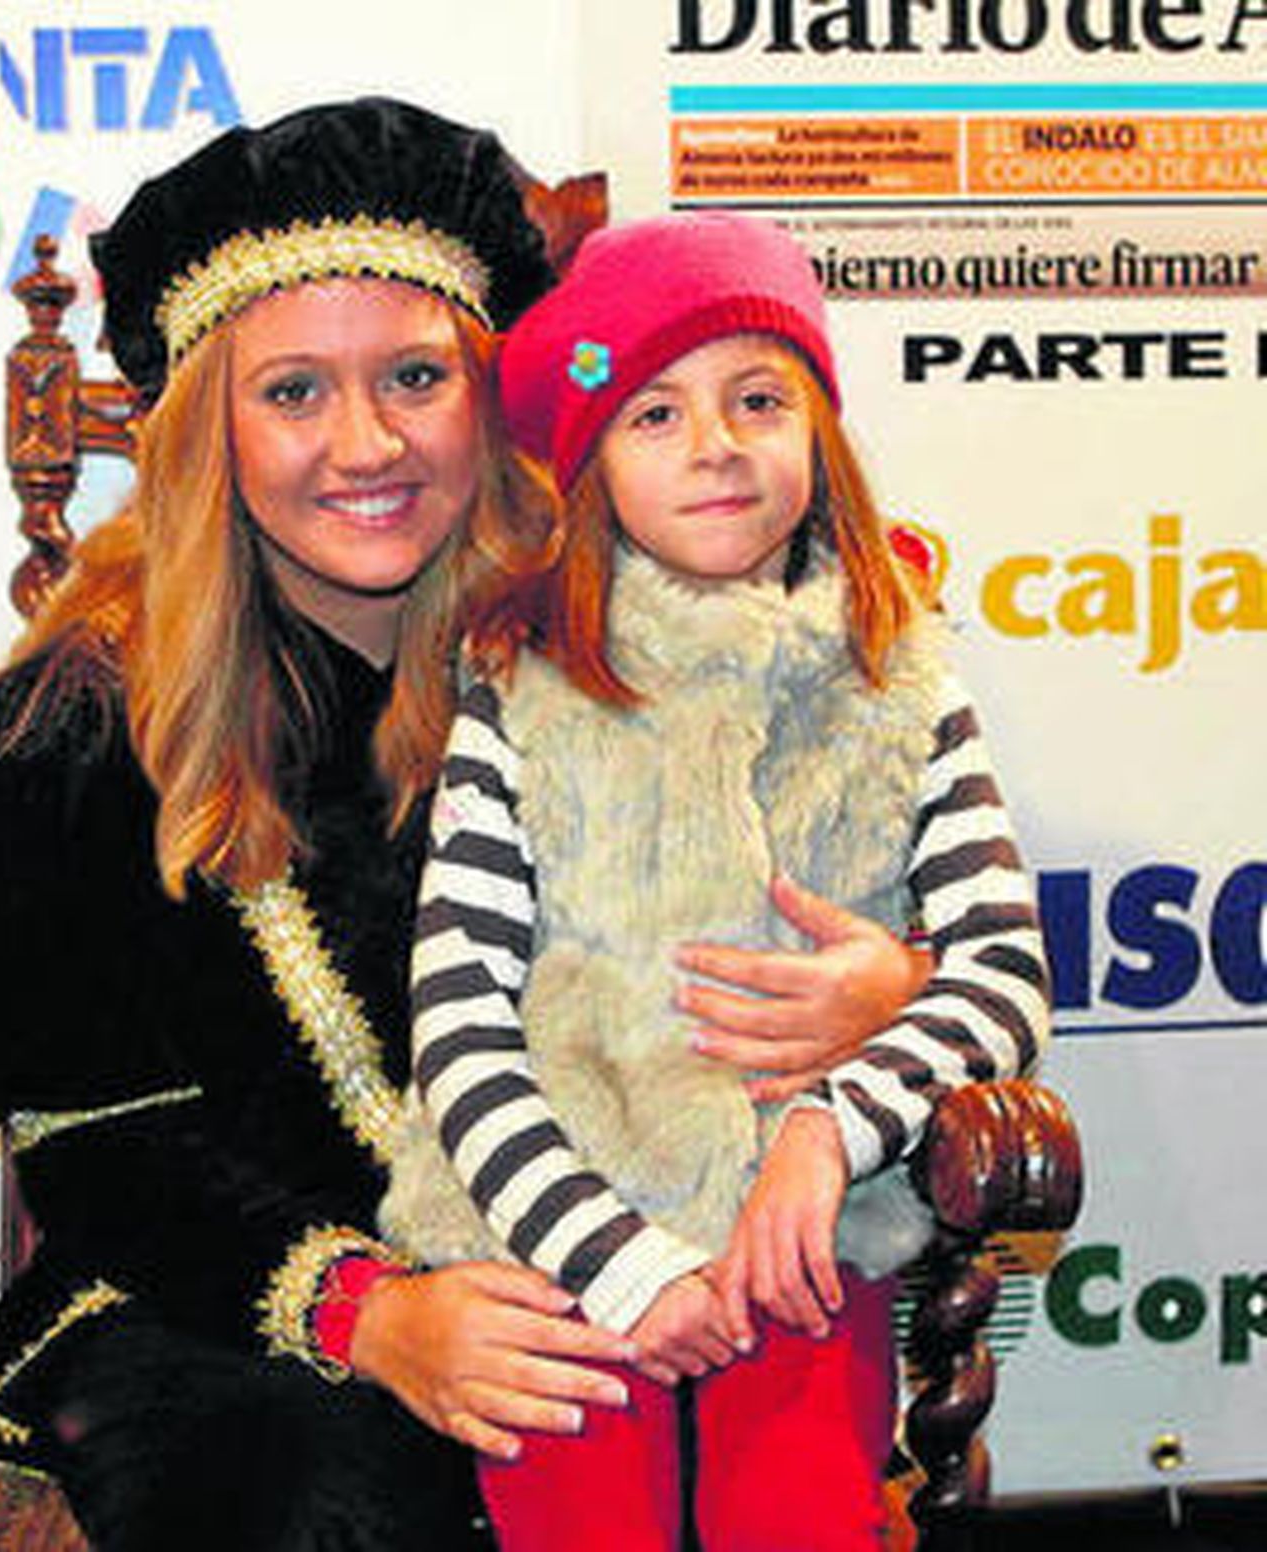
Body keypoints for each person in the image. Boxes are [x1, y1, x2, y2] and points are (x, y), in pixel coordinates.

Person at [0, 102, 932, 1551]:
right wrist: (368, 1314)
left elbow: (847, 863)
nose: (367, 443)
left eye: (414, 377)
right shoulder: (66, 736)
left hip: (607, 1240)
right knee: (327, 1495)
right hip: (213, 1300)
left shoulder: (613, 651)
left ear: (491, 399)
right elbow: (95, 1145)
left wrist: (893, 987)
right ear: (208, 428)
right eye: (296, 394)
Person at [380, 211, 1052, 1552]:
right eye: (656, 417)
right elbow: (458, 1032)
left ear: (819, 429)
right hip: (555, 1241)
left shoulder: (899, 675)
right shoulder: (521, 688)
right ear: (589, 470)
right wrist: (616, 1260)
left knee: (805, 1521)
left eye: (759, 399)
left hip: (801, 1240)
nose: (717, 447)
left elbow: (1003, 975)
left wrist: (831, 1130)